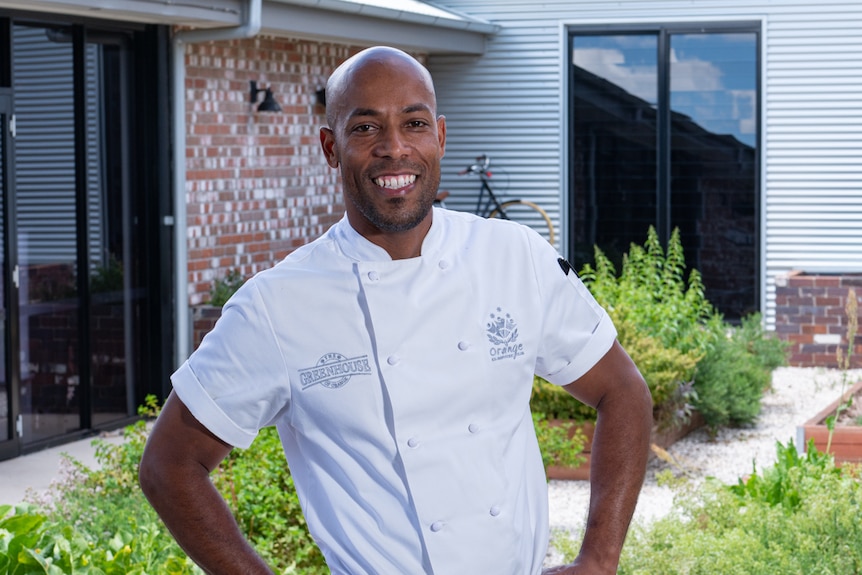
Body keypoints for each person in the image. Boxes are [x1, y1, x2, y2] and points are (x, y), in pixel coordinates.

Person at [139, 45, 652, 575]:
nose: (394, 148)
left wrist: (599, 559)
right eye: (365, 128)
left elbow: (623, 391)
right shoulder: (276, 305)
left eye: (414, 123)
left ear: (441, 136)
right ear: (330, 148)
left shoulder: (516, 257)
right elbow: (168, 465)